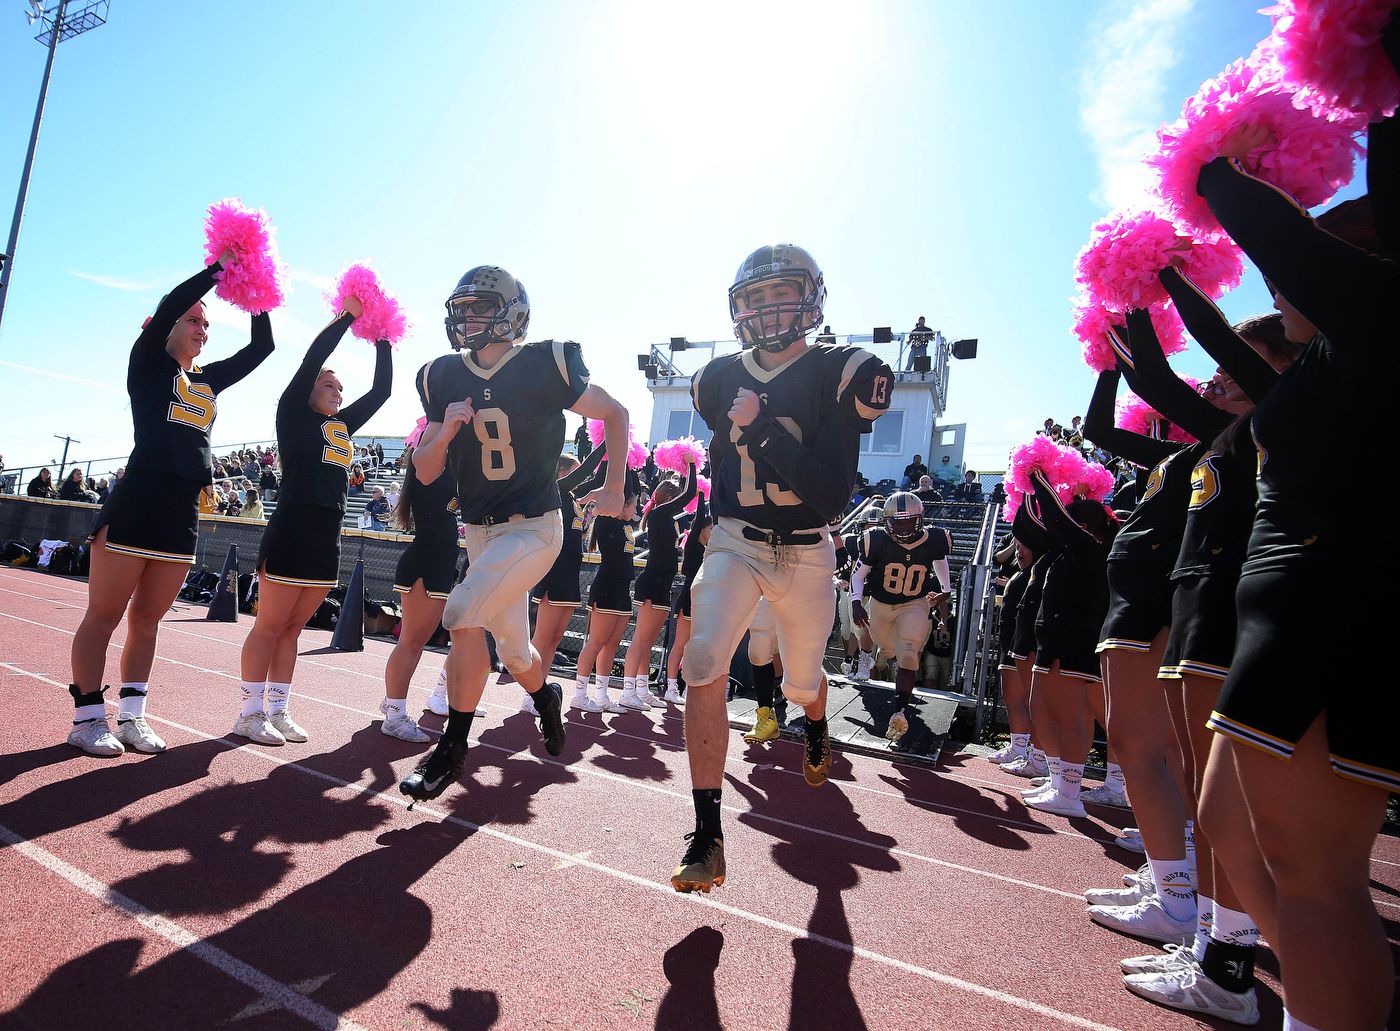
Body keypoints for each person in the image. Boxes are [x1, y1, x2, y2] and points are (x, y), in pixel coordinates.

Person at [672, 243, 892, 893]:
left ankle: (815, 720)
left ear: (813, 296)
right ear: (737, 307)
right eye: (756, 297)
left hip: (805, 547)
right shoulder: (713, 377)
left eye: (781, 292)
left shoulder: (840, 371)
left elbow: (827, 497)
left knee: (800, 684)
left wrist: (763, 425)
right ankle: (706, 833)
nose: (769, 308)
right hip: (736, 539)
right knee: (703, 658)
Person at [399, 265, 629, 804]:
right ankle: (545, 696)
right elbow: (427, 470)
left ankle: (452, 748)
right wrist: (448, 428)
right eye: (462, 309)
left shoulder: (543, 363)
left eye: (480, 307)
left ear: (511, 312)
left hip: (534, 528)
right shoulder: (441, 375)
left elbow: (615, 412)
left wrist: (616, 487)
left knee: (459, 613)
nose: (467, 319)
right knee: (514, 648)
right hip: (479, 532)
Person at [66, 253, 274, 757]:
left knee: (148, 620)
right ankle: (88, 717)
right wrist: (218, 269)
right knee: (104, 615)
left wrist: (254, 288)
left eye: (207, 323)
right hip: (138, 500)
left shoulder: (206, 380)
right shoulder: (148, 363)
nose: (203, 329)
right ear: (169, 324)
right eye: (195, 319)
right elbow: (170, 308)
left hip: (182, 512)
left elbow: (262, 346)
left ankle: (133, 716)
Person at [234, 298, 392, 746]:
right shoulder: (293, 415)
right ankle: (249, 712)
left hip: (328, 536)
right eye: (329, 384)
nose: (337, 392)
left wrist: (382, 336)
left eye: (341, 388)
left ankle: (279, 709)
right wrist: (350, 317)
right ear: (307, 390)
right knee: (268, 626)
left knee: (292, 630)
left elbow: (381, 392)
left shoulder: (341, 426)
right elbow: (313, 358)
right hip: (292, 530)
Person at [849, 491, 951, 740]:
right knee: (885, 647)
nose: (904, 527)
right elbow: (858, 575)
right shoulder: (875, 540)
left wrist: (946, 590)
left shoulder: (935, 538)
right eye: (898, 521)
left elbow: (940, 560)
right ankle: (881, 659)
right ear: (887, 521)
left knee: (908, 651)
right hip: (882, 603)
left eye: (909, 521)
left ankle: (900, 712)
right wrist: (855, 602)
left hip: (914, 602)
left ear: (920, 519)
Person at [381, 442, 460, 743]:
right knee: (411, 642)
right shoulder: (428, 465)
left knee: (417, 641)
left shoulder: (449, 469)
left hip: (439, 566)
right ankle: (395, 715)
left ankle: (393, 703)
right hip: (425, 564)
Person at [522, 447, 608, 716]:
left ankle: (540, 690)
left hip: (571, 573)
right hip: (554, 570)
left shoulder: (573, 498)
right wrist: (606, 442)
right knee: (542, 638)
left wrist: (618, 455)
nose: (579, 478)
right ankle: (529, 695)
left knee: (556, 638)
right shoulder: (555, 489)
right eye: (573, 472)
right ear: (560, 473)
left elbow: (596, 479)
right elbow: (587, 472)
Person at [620, 459, 698, 709]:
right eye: (674, 498)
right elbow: (689, 493)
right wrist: (692, 466)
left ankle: (642, 689)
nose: (679, 504)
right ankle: (627, 691)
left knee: (649, 640)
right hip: (653, 582)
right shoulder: (659, 513)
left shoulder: (664, 518)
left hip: (662, 583)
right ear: (668, 498)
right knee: (641, 639)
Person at [571, 465, 644, 713]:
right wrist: (622, 462)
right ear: (622, 504)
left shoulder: (625, 525)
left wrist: (631, 465)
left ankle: (602, 695)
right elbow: (620, 485)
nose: (636, 509)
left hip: (623, 591)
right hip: (606, 589)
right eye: (633, 505)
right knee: (596, 642)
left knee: (612, 644)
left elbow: (630, 489)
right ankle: (579, 694)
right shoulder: (605, 520)